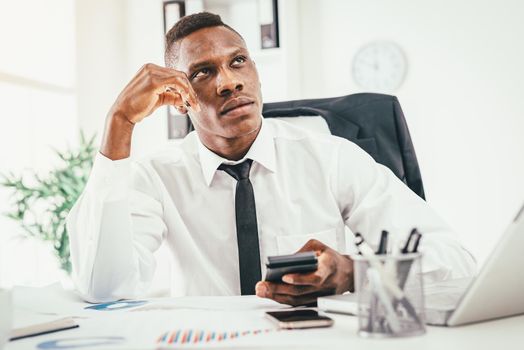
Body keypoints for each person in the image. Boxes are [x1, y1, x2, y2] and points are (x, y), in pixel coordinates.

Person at [67, 12, 475, 305]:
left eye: (238, 61)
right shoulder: (154, 176)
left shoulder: (330, 158)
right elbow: (105, 288)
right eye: (203, 73)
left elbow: (457, 266)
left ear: (256, 70)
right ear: (178, 98)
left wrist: (353, 274)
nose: (229, 82)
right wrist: (119, 122)